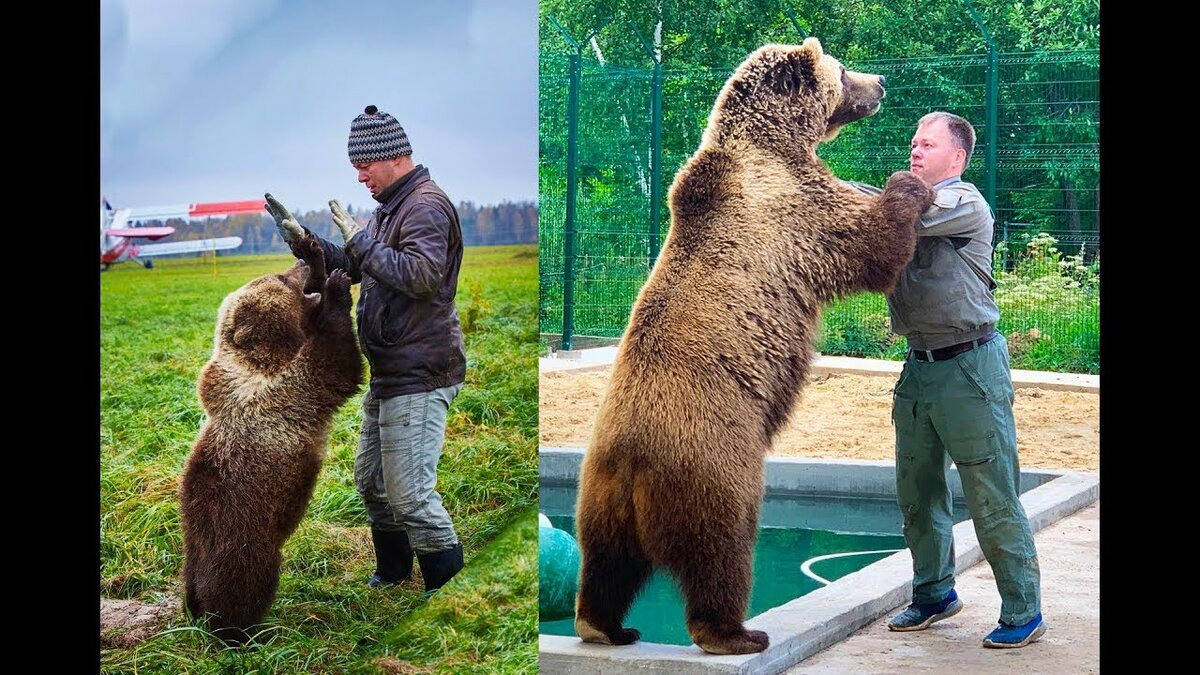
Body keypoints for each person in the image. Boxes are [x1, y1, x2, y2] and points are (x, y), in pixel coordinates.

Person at [846, 111, 1045, 649]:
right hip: (919, 367)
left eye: (927, 144)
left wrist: (844, 196)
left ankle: (1023, 609)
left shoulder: (965, 204)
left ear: (955, 158)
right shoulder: (901, 203)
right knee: (917, 490)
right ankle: (934, 595)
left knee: (991, 492)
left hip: (970, 368)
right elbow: (870, 206)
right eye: (913, 142)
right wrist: (809, 177)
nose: (914, 150)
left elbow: (891, 220)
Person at [265, 105, 467, 594]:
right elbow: (355, 267)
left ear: (392, 157)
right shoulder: (391, 209)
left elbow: (419, 277)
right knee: (373, 482)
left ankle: (453, 591)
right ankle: (394, 573)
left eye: (364, 165)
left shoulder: (425, 207)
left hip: (421, 371)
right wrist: (308, 245)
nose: (359, 176)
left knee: (410, 494)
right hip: (392, 370)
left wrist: (360, 239)